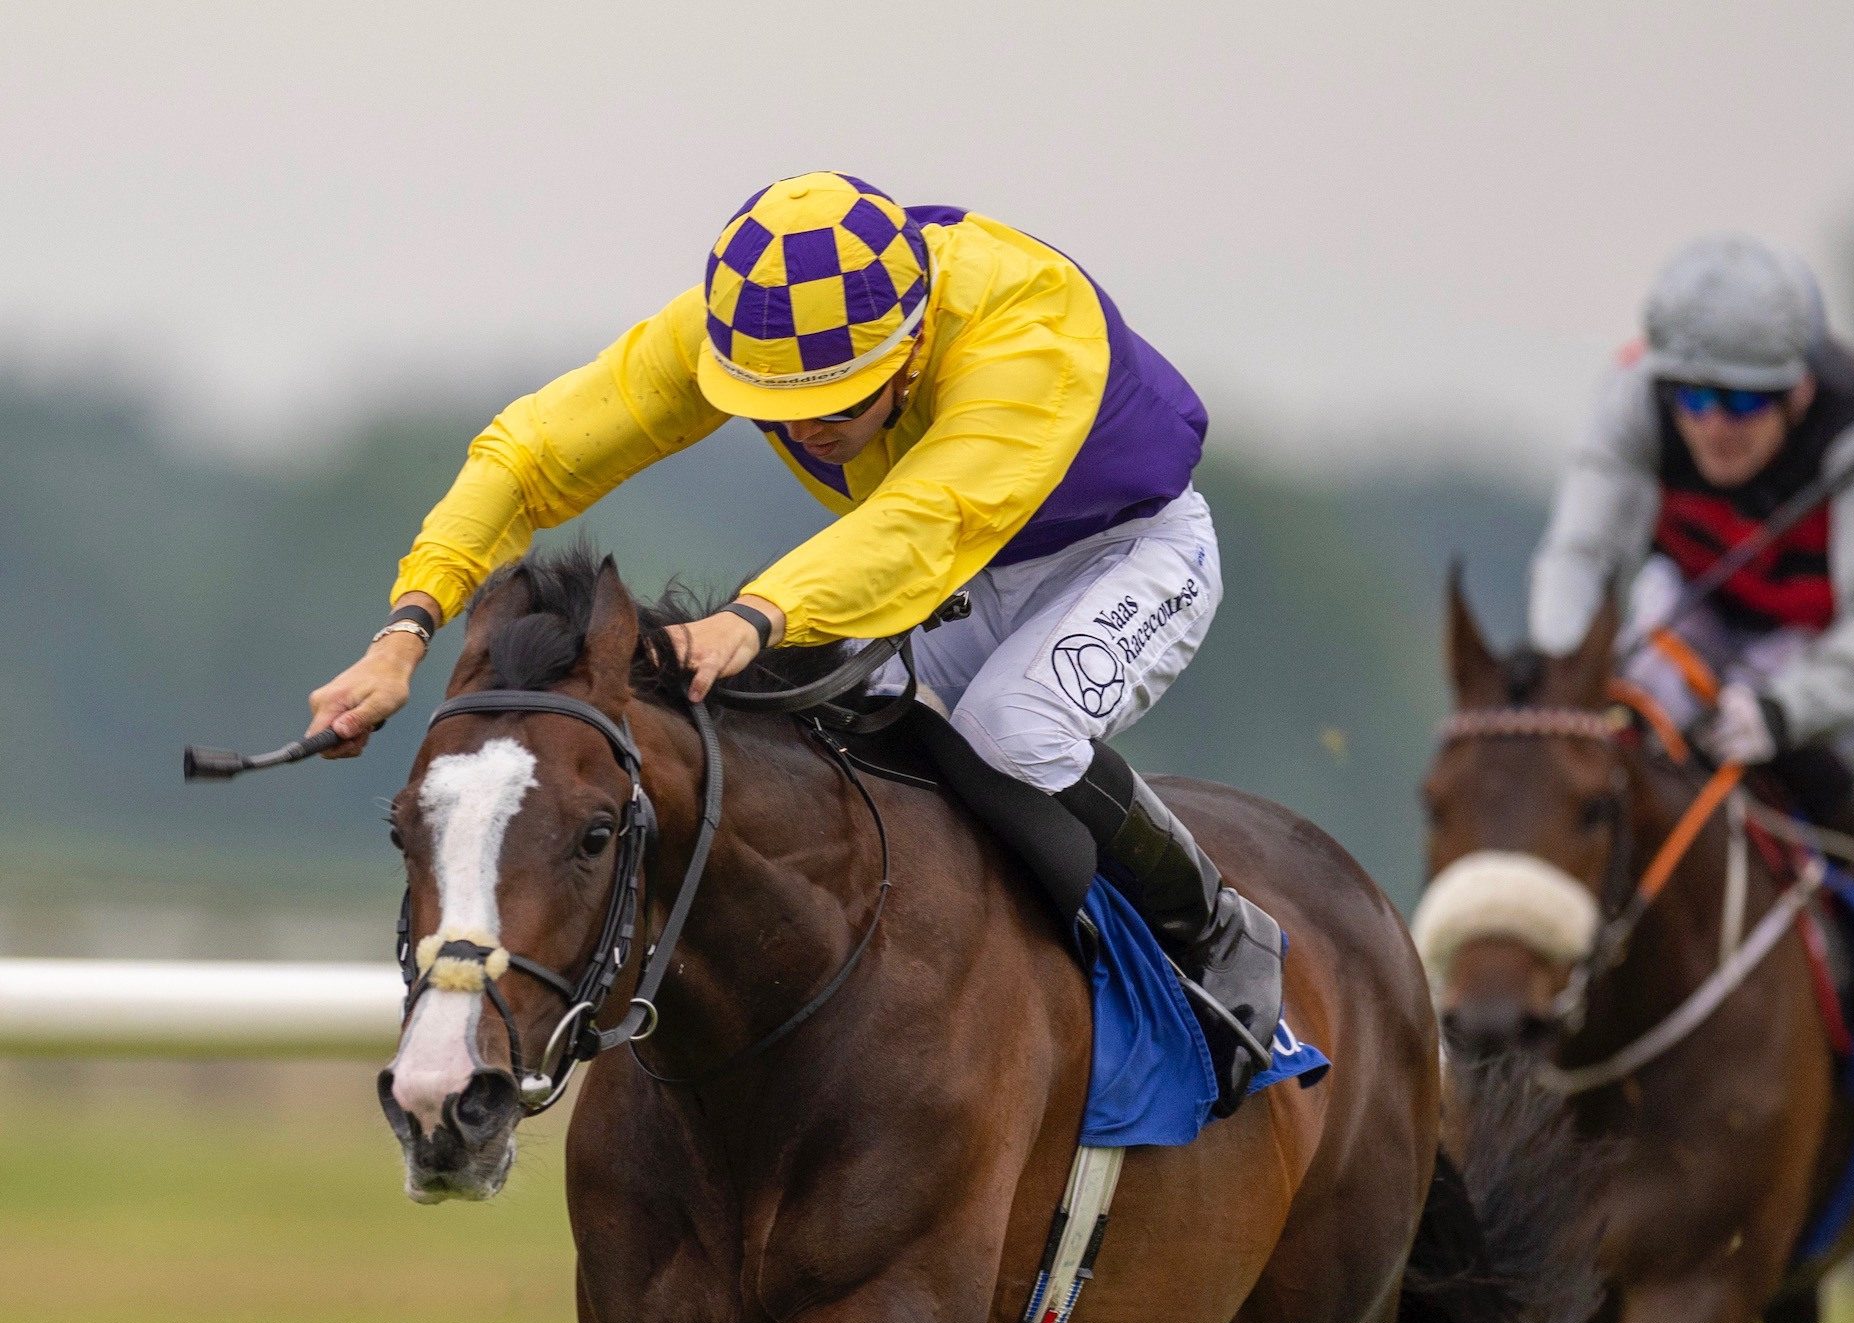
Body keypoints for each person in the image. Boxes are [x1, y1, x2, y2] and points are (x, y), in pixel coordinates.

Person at [306, 171, 1283, 1109]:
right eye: (782, 415)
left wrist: (752, 616)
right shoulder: (753, 328)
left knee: (1012, 726)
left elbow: (923, 523)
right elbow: (529, 456)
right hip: (949, 569)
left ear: (908, 350)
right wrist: (407, 626)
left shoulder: (1028, 328)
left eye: (838, 408)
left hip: (1122, 551)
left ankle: (1210, 924)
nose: (811, 432)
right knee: (815, 744)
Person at [1530, 232, 1854, 936]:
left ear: (1799, 388)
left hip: (1815, 640)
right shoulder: (1636, 395)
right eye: (1696, 396)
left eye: (1744, 402)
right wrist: (1560, 673)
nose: (1713, 424)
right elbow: (1580, 556)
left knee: (1775, 746)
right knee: (1624, 726)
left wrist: (1781, 712)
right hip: (1691, 599)